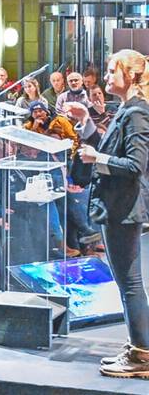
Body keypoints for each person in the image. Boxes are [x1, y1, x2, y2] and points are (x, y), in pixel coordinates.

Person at [67, 50, 149, 377]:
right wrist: (86, 121)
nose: (106, 78)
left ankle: (142, 354)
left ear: (129, 75)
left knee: (130, 283)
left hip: (123, 208)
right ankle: (138, 346)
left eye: (112, 71)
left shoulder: (137, 113)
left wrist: (95, 159)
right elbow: (108, 146)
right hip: (116, 208)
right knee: (127, 282)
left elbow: (134, 166)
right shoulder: (126, 110)